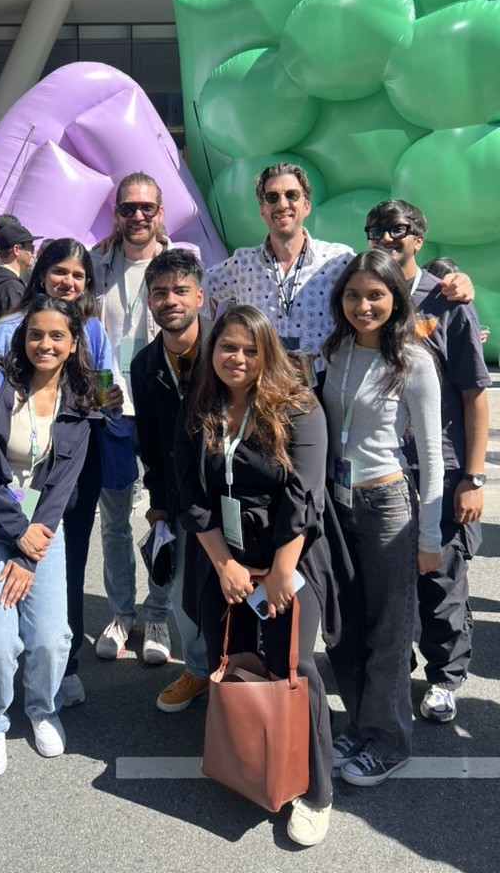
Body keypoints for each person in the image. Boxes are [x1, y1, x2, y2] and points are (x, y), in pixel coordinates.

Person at [174, 304, 334, 847]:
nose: (237, 358)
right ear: (212, 350)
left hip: (289, 561)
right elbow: (192, 496)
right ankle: (256, 761)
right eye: (227, 347)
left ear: (267, 352)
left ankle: (316, 791)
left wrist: (280, 573)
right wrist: (225, 566)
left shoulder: (298, 407)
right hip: (230, 561)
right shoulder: (201, 406)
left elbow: (303, 496)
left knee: (296, 668)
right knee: (242, 656)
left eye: (249, 349)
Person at [364, 201, 490, 723]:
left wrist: (475, 477)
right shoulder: (366, 297)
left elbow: (474, 394)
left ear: (419, 238)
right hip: (383, 465)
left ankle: (444, 675)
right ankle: (397, 664)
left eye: (399, 230)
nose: (389, 238)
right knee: (387, 575)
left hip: (444, 462)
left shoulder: (448, 300)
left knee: (440, 573)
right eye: (377, 231)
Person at [322, 249, 444, 786]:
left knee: (390, 630)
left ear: (395, 298)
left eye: (376, 295)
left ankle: (389, 741)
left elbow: (434, 454)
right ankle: (360, 725)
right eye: (354, 295)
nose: (363, 305)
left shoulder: (411, 359)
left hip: (387, 505)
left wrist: (431, 536)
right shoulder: (337, 349)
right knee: (346, 627)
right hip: (338, 504)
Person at [0, 296, 99, 777]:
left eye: (56, 335)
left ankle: (43, 708)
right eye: (36, 334)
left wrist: (32, 545)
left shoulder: (80, 398)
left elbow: (64, 481)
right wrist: (19, 536)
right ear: (23, 338)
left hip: (44, 526)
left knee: (50, 639)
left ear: (73, 342)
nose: (45, 343)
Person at [0, 238, 121, 705]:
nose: (69, 281)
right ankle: (11, 657)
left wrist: (108, 398)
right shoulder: (9, 327)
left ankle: (62, 666)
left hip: (74, 462)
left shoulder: (93, 330)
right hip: (17, 466)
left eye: (79, 276)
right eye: (60, 271)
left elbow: (104, 389)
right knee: (9, 552)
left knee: (67, 562)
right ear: (41, 273)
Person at [91, 171, 177, 664]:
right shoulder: (97, 263)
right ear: (116, 213)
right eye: (128, 208)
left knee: (167, 519)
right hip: (111, 409)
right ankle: (122, 613)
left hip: (164, 407)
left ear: (159, 212)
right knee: (115, 520)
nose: (138, 215)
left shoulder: (180, 262)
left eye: (147, 207)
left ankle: (158, 615)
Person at [131, 249, 213, 712]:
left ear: (199, 296)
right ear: (149, 302)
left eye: (181, 290)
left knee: (240, 585)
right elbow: (149, 438)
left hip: (235, 494)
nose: (171, 300)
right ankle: (198, 670)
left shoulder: (228, 347)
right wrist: (158, 501)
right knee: (183, 591)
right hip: (181, 498)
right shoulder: (145, 365)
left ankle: (243, 670)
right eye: (160, 292)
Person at [205, 163, 353, 360]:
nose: (282, 205)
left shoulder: (338, 260)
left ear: (306, 206)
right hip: (261, 383)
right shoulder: (243, 262)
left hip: (322, 383)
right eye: (272, 197)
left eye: (292, 195)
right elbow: (197, 291)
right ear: (262, 210)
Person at [0, 223, 40, 337]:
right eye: (31, 247)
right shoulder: (12, 287)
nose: (33, 252)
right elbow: (15, 333)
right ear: (16, 250)